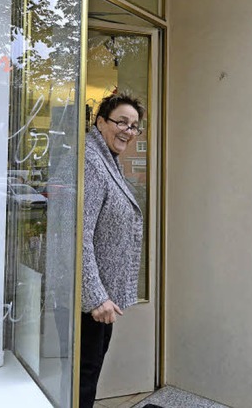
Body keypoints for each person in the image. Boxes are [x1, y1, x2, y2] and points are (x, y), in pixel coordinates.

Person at [80, 93, 144, 408]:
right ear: (101, 121)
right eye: (121, 122)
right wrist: (96, 296)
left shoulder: (108, 158)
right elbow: (77, 233)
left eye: (134, 127)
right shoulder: (91, 160)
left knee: (88, 373)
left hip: (101, 298)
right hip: (91, 302)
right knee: (83, 376)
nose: (128, 131)